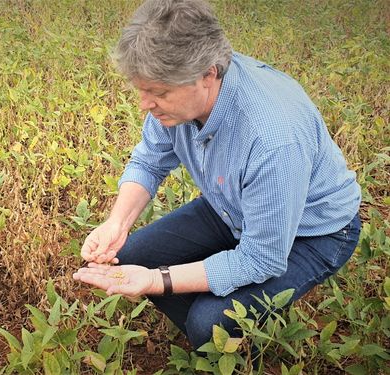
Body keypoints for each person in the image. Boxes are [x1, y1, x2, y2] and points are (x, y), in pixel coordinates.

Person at [72, 0, 361, 350]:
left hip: (313, 232)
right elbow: (149, 161)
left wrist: (155, 281)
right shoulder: (176, 102)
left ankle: (233, 337)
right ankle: (227, 314)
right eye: (142, 90)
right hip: (231, 206)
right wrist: (116, 223)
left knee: (209, 326)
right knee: (131, 256)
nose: (144, 104)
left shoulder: (272, 138)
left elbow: (261, 257)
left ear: (208, 74)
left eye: (159, 93)